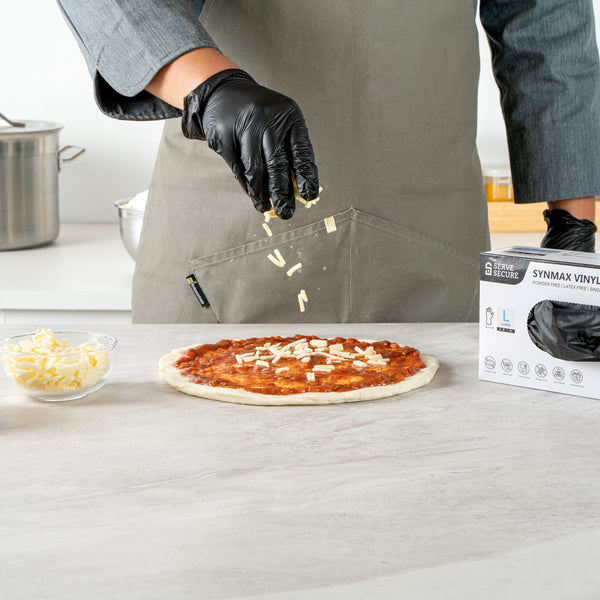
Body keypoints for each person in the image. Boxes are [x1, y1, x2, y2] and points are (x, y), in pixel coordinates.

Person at [57, 0, 600, 324]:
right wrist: (208, 87)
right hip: (223, 248)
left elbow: (548, 26)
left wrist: (572, 239)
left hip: (432, 257)